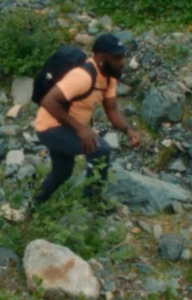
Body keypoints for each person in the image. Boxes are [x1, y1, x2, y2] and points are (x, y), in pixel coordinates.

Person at [32, 33, 142, 206]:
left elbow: (111, 109)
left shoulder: (109, 77)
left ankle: (32, 206)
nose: (121, 62)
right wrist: (81, 129)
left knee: (62, 173)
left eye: (123, 56)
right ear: (100, 56)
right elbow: (48, 101)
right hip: (49, 127)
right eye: (116, 57)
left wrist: (128, 130)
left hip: (66, 127)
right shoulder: (82, 77)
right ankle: (92, 204)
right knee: (100, 150)